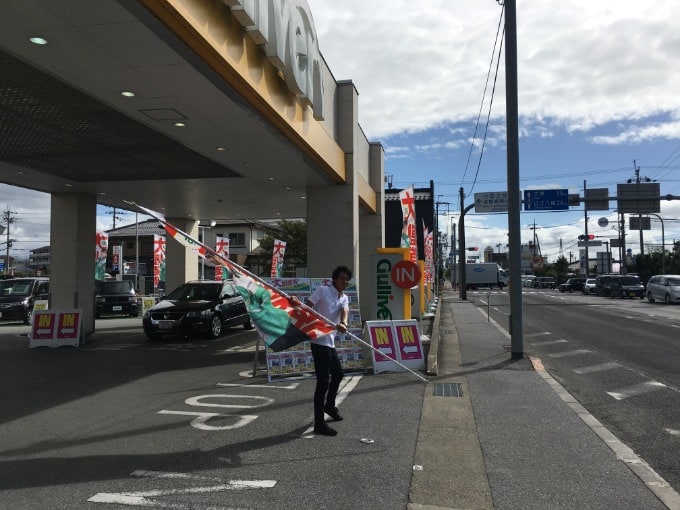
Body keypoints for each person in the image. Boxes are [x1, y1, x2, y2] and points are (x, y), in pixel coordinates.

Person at [305, 265, 351, 436]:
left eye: (347, 279)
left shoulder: (344, 297)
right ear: (334, 279)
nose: (344, 282)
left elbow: (344, 311)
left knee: (338, 374)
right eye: (342, 278)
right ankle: (319, 424)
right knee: (323, 382)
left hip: (330, 342)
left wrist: (344, 323)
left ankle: (329, 406)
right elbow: (307, 307)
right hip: (318, 341)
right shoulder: (323, 291)